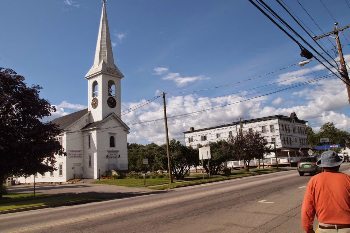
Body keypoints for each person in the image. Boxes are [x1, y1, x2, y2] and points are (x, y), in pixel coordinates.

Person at [301, 150, 350, 233]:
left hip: (324, 229)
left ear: (322, 166)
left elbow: (307, 209)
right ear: (338, 165)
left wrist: (308, 229)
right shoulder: (348, 179)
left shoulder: (314, 180)